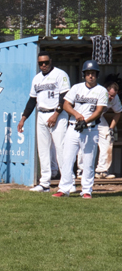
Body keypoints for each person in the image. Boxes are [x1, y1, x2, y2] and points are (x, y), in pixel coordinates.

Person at [17, 52, 71, 192]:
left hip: (57, 114)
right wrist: (23, 118)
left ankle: (67, 183)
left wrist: (56, 114)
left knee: (61, 148)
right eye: (41, 63)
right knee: (43, 150)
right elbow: (32, 100)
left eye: (46, 62)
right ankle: (45, 183)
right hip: (41, 114)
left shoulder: (60, 74)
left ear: (50, 61)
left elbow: (65, 97)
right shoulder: (37, 78)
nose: (43, 65)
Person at [54, 60, 109, 199]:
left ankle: (86, 190)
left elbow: (99, 111)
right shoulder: (76, 87)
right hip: (73, 127)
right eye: (88, 73)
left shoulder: (102, 90)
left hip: (90, 129)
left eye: (93, 73)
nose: (91, 76)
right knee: (67, 159)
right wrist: (76, 115)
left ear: (97, 75)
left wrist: (85, 121)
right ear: (84, 74)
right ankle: (64, 188)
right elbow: (66, 105)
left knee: (88, 160)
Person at [94, 80, 122, 179]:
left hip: (99, 118)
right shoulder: (98, 93)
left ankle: (102, 170)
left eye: (113, 96)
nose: (111, 98)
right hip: (88, 116)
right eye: (109, 95)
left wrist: (111, 128)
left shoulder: (115, 98)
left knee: (107, 138)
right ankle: (81, 171)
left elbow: (118, 112)